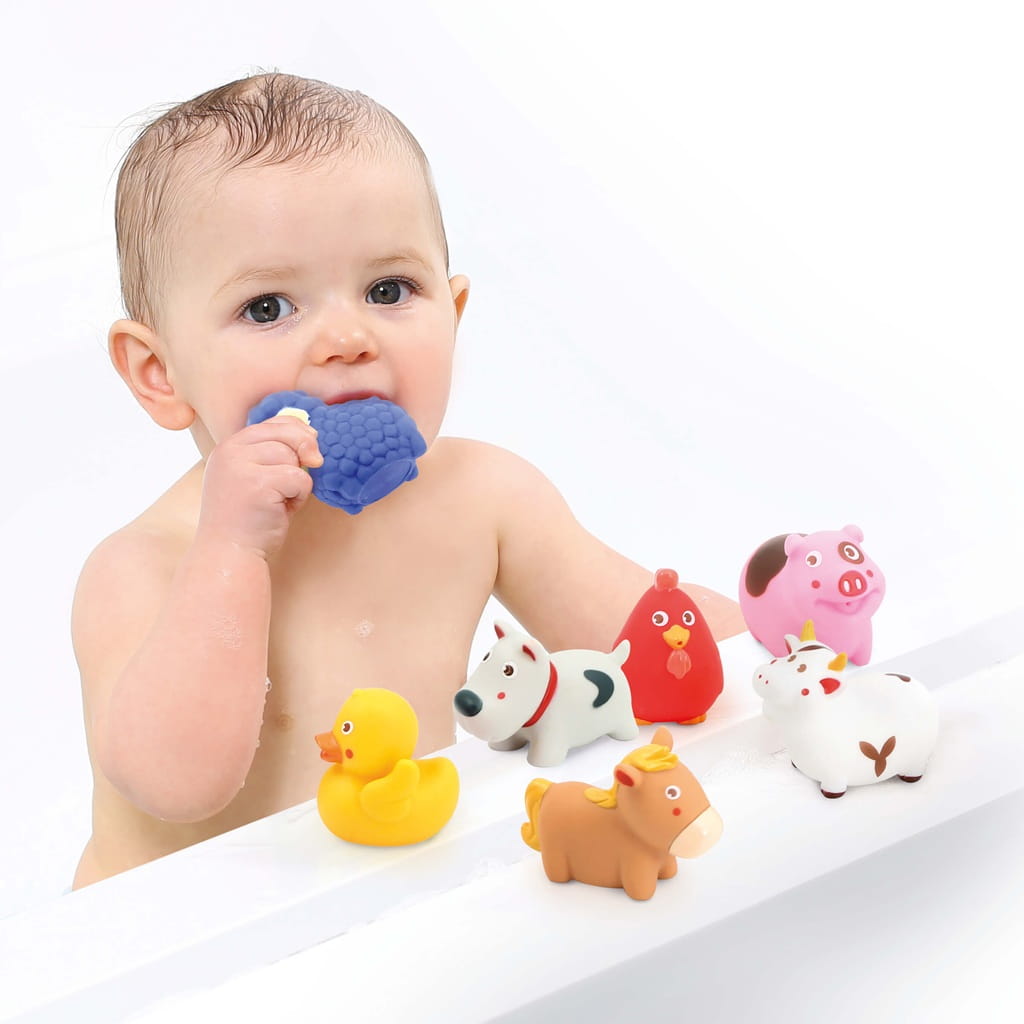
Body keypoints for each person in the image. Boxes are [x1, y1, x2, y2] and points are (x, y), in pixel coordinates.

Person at [71, 72, 744, 888]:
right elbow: (176, 785)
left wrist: (787, 634)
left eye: (389, 290)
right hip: (184, 940)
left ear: (453, 316)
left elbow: (657, 646)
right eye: (268, 307)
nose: (346, 336)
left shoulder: (484, 498)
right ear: (159, 373)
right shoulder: (142, 568)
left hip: (398, 902)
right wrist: (231, 550)